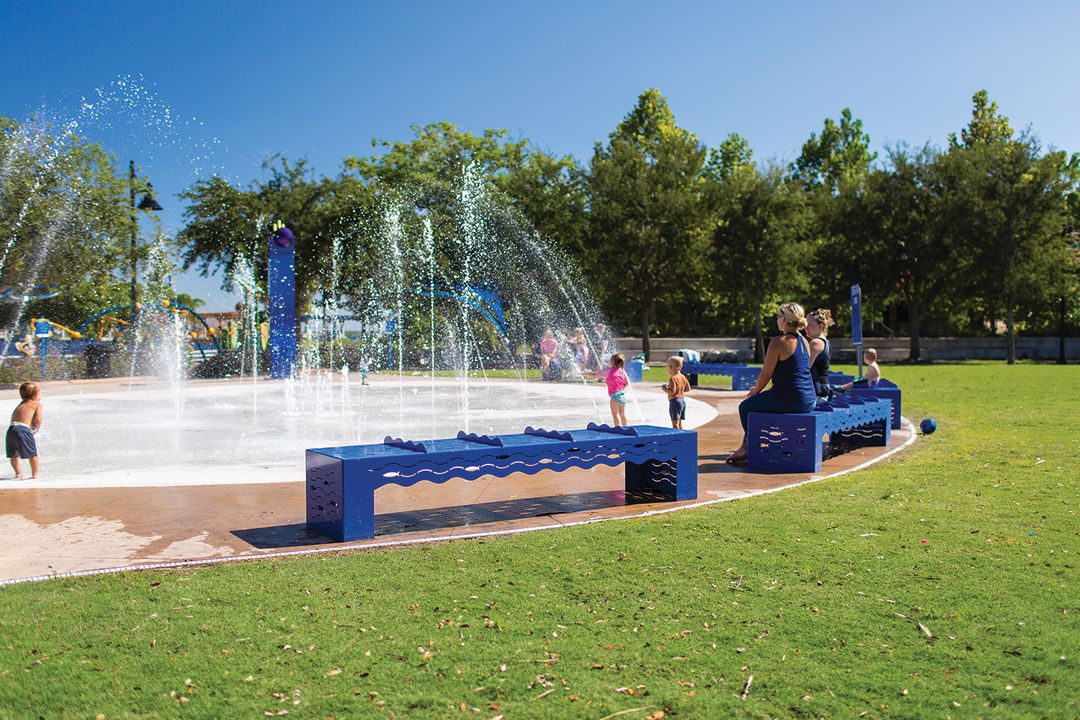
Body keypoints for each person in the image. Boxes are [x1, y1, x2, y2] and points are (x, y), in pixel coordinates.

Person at [727, 303, 818, 465]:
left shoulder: (778, 342)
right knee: (759, 402)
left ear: (785, 320)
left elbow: (765, 375)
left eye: (778, 316)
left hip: (791, 399)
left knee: (745, 407)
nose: (777, 319)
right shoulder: (805, 341)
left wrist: (755, 391)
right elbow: (792, 374)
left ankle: (747, 447)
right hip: (809, 399)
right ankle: (747, 445)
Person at [8, 382, 43, 479]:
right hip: (23, 429)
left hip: (11, 429)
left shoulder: (21, 403)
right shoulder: (36, 404)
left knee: (14, 455)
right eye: (40, 392)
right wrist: (36, 429)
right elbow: (38, 419)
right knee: (33, 454)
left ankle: (18, 473)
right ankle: (35, 474)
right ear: (35, 395)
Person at [805, 308, 836, 398]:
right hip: (823, 389)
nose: (806, 328)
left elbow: (804, 369)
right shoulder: (825, 342)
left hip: (817, 393)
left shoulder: (816, 343)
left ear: (820, 326)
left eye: (809, 325)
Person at [661, 356, 691, 430]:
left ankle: (677, 438)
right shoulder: (683, 377)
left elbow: (672, 391)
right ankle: (682, 437)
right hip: (682, 401)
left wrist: (664, 388)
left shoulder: (673, 378)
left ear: (671, 367)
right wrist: (679, 389)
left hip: (675, 402)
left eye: (667, 367)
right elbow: (688, 389)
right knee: (680, 423)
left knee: (675, 424)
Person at [605, 352, 629, 426]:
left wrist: (584, 373)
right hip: (622, 395)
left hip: (614, 396)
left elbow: (595, 374)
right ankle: (625, 428)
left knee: (615, 415)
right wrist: (622, 389)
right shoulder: (622, 371)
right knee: (622, 414)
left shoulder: (609, 371)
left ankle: (617, 429)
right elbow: (627, 383)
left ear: (612, 362)